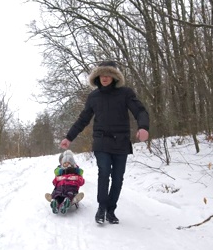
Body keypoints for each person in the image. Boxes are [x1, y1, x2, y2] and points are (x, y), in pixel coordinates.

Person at [59, 61, 149, 224]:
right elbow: (83, 119)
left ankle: (111, 210)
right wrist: (69, 137)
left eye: (108, 75)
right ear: (97, 76)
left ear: (114, 77)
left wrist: (143, 127)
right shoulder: (94, 97)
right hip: (101, 142)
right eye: (102, 74)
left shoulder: (125, 93)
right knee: (104, 171)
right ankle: (101, 208)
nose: (105, 78)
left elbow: (140, 110)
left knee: (118, 178)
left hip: (121, 142)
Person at [45, 150, 85, 214]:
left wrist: (77, 178)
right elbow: (54, 182)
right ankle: (55, 202)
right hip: (60, 187)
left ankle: (67, 203)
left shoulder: (75, 172)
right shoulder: (60, 172)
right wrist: (57, 179)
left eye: (68, 163)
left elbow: (81, 181)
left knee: (70, 193)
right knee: (57, 193)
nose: (66, 164)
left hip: (71, 187)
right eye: (65, 163)